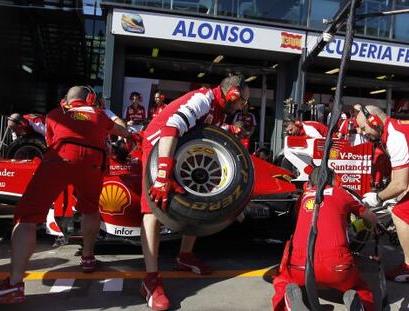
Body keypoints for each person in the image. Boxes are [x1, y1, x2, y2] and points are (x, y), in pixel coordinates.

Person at [0, 86, 129, 304]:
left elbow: (50, 142)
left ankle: (14, 285)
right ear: (91, 99)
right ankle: (87, 257)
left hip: (61, 157)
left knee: (26, 217)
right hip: (93, 162)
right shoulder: (99, 114)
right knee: (91, 209)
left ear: (67, 99)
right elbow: (123, 132)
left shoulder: (55, 114)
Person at [139, 74, 250, 311]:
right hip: (158, 143)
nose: (243, 107)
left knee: (202, 195)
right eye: (243, 102)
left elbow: (203, 127)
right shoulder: (202, 99)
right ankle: (150, 280)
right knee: (153, 209)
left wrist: (229, 128)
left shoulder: (217, 110)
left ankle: (184, 256)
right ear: (234, 94)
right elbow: (172, 126)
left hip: (181, 145)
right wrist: (161, 177)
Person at [272, 167, 377, 311]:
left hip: (301, 265)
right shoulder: (342, 193)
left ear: (309, 182)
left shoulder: (302, 197)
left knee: (283, 280)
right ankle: (359, 302)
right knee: (359, 286)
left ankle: (286, 301)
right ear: (335, 180)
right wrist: (362, 225)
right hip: (338, 266)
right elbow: (372, 219)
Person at [355, 105, 409, 282]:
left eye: (363, 128)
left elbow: (400, 183)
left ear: (374, 121)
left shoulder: (396, 137)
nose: (363, 133)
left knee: (400, 211)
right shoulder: (395, 130)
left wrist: (378, 197)